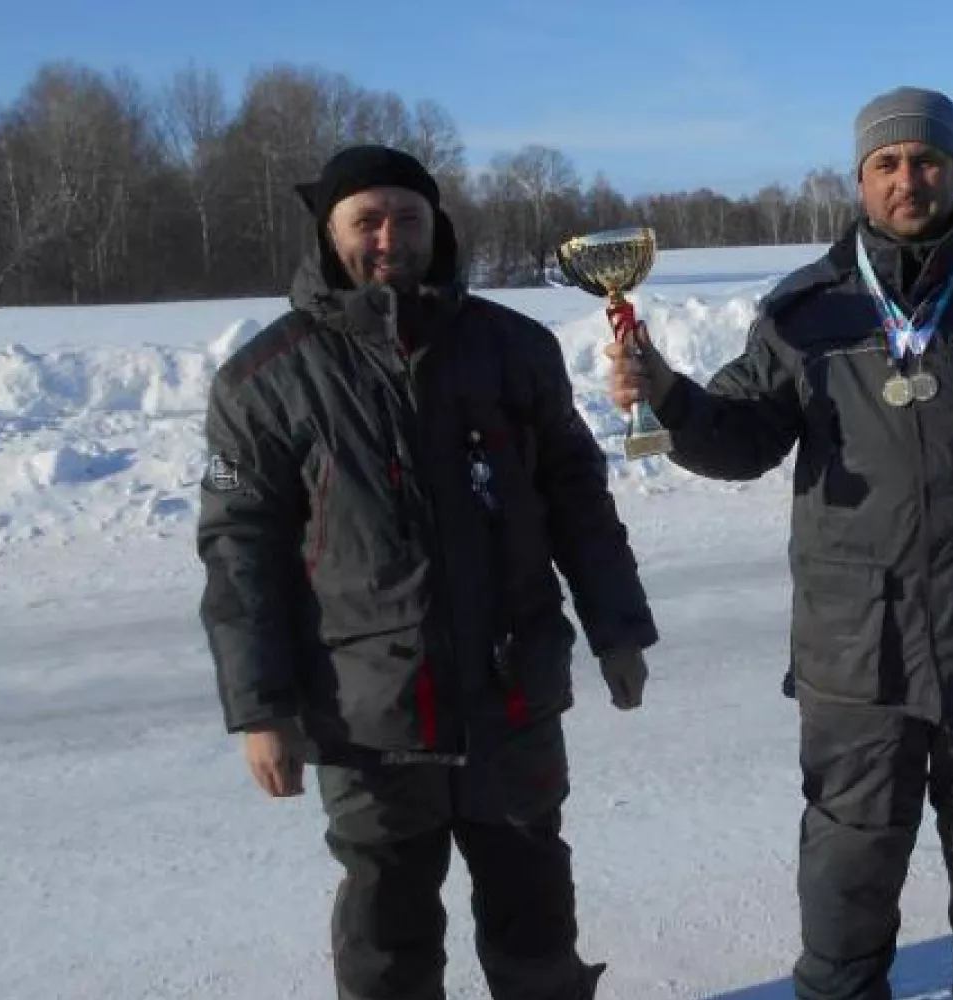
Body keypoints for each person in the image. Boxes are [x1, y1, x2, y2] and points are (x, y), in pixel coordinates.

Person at [606, 86, 953, 1000]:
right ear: (859, 179)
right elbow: (743, 436)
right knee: (850, 842)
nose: (907, 178)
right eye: (887, 163)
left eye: (926, 160)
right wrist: (672, 399)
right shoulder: (806, 311)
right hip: (858, 640)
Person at [197, 143, 658, 1000]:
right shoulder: (267, 378)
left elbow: (577, 501)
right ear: (328, 232)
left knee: (534, 914)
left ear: (434, 226)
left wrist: (618, 629)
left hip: (511, 692)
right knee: (387, 933)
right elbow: (240, 555)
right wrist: (262, 708)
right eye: (365, 220)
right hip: (368, 711)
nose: (388, 238)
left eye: (406, 218)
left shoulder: (512, 348)